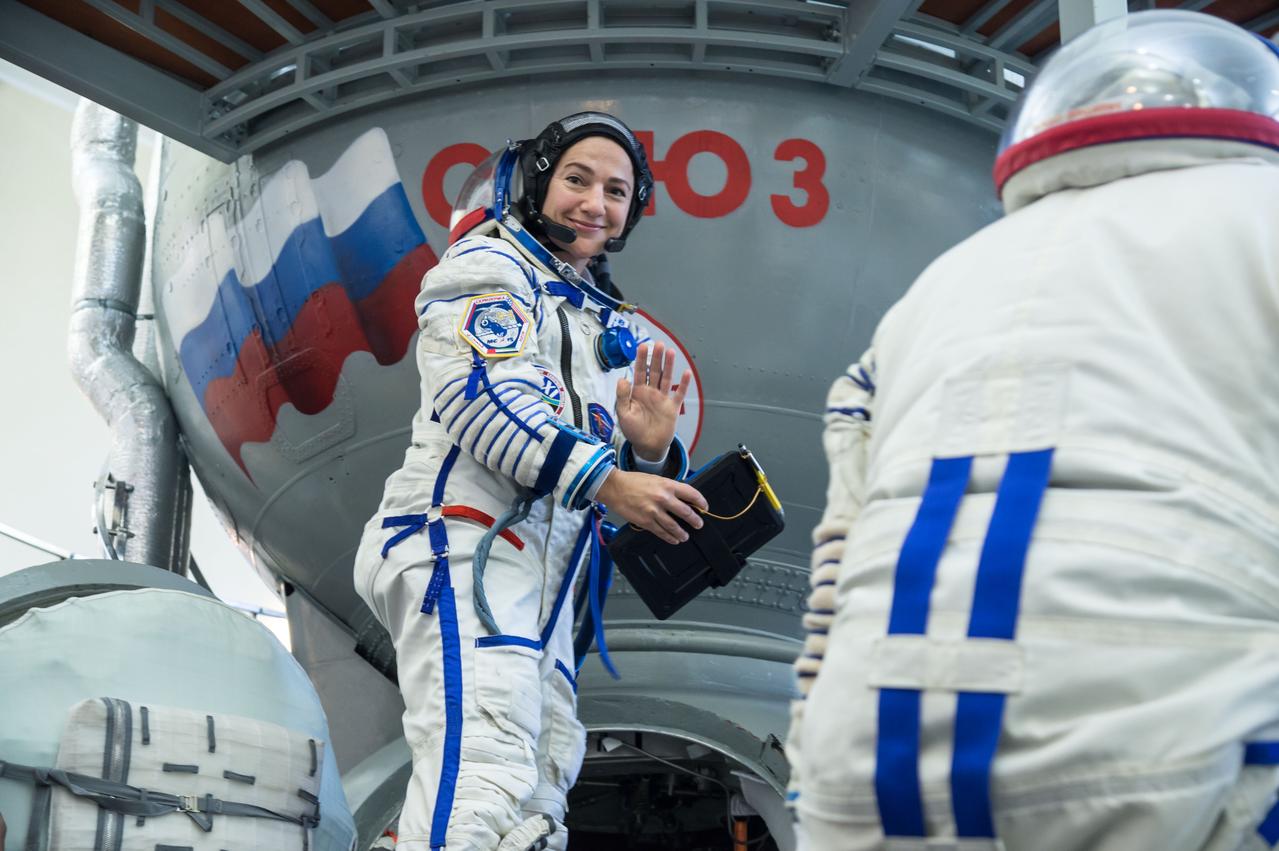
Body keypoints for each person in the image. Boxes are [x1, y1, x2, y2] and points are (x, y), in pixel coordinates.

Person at [786, 12, 1279, 851]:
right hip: (1171, 747)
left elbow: (836, 566)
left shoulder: (936, 287)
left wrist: (810, 776)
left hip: (865, 774)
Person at [353, 112, 707, 851]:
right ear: (535, 185)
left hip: (539, 581)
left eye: (615, 191)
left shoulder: (591, 320)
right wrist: (611, 481)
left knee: (537, 792)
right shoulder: (489, 270)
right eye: (576, 179)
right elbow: (481, 399)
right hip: (461, 545)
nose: (594, 203)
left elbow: (584, 478)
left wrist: (645, 451)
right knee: (481, 771)